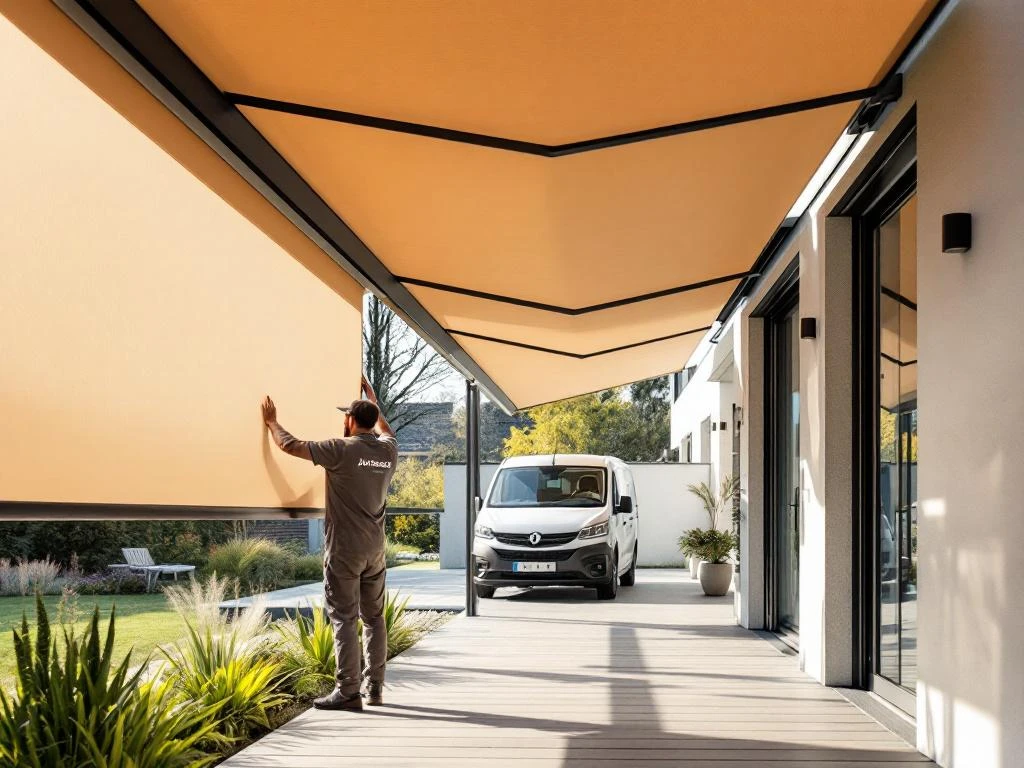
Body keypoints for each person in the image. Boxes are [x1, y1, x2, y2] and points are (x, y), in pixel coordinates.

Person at [260, 375, 398, 711]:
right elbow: (387, 431)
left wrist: (272, 422)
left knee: (344, 619)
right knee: (375, 618)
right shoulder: (388, 451)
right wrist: (374, 403)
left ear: (350, 420)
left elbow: (289, 445)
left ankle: (348, 691)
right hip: (375, 551)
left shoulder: (340, 450)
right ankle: (375, 687)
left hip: (344, 552)